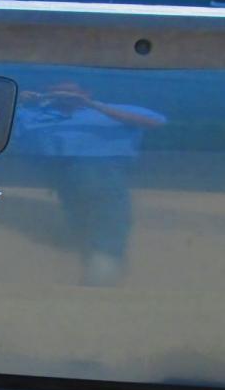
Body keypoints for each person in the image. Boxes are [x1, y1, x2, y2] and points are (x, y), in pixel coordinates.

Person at [17, 81, 167, 286]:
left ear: (85, 93)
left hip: (105, 165)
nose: (66, 96)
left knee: (107, 206)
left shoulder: (111, 110)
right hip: (60, 170)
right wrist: (19, 102)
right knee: (81, 213)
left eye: (72, 92)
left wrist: (94, 106)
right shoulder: (34, 114)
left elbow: (155, 122)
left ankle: (105, 258)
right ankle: (91, 256)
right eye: (58, 92)